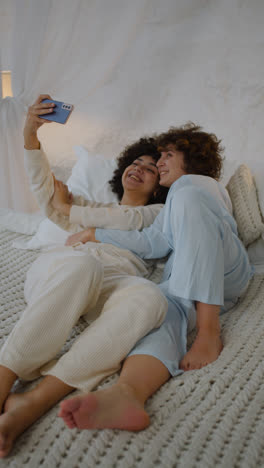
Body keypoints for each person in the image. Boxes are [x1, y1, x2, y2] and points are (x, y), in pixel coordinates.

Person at [0, 95, 169, 458]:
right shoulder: (92, 209)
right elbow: (49, 201)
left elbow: (130, 221)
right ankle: (2, 382)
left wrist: (73, 212)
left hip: (113, 281)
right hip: (66, 269)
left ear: (158, 186)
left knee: (151, 298)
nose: (138, 168)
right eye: (135, 162)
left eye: (150, 168)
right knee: (84, 265)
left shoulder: (158, 215)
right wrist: (31, 136)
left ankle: (32, 402)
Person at [58, 123, 254, 432]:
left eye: (167, 155)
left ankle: (208, 330)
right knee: (159, 305)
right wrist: (96, 233)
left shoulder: (199, 185)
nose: (160, 162)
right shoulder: (174, 203)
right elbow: (154, 242)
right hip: (189, 281)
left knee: (188, 195)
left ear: (192, 159)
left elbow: (192, 224)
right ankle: (128, 393)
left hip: (227, 267)